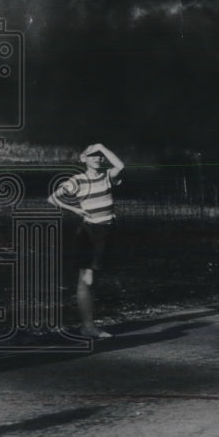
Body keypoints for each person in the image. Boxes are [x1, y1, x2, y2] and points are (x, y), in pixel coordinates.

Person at [48, 143, 125, 338]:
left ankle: (87, 324)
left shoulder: (107, 176)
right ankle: (87, 326)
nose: (98, 159)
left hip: (108, 231)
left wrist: (101, 146)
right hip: (90, 233)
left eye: (100, 156)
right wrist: (75, 209)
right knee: (86, 279)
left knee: (94, 278)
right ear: (83, 159)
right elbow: (52, 198)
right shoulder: (78, 181)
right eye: (92, 156)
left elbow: (120, 166)